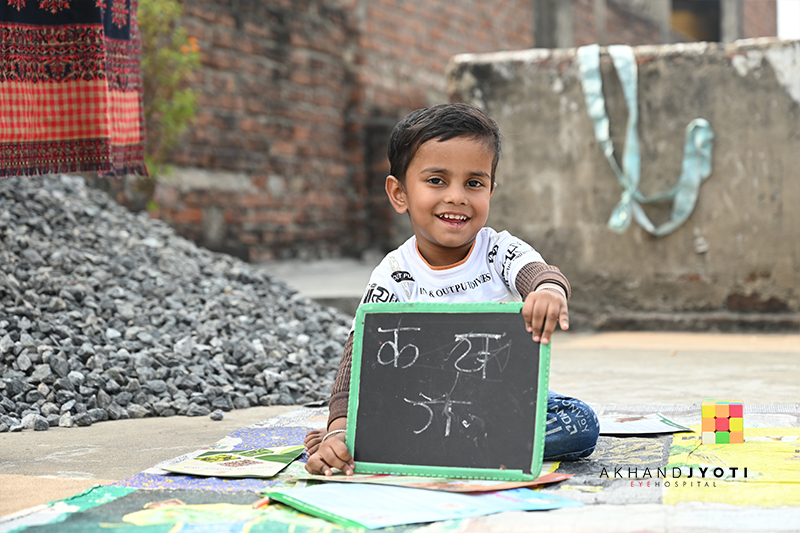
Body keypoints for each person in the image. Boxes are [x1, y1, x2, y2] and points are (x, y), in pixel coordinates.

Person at [304, 102, 599, 476]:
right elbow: (357, 356)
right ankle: (419, 443)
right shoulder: (394, 274)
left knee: (579, 423)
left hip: (500, 403)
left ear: (491, 191)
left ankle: (427, 446)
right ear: (399, 194)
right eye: (436, 180)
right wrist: (340, 426)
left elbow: (538, 274)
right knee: (357, 427)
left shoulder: (498, 250)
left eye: (474, 183)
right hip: (420, 406)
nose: (457, 196)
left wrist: (549, 293)